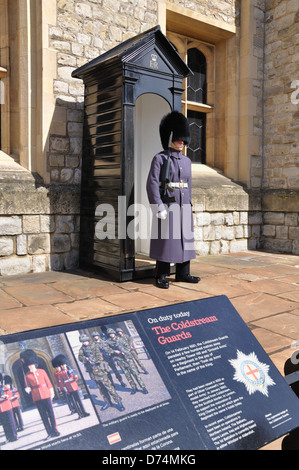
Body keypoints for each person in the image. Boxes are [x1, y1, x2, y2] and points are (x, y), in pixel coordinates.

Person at [146, 110, 200, 289]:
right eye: (178, 138)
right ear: (170, 137)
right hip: (168, 206)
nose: (181, 142)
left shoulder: (186, 161)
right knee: (166, 242)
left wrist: (189, 205)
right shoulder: (160, 158)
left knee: (185, 240)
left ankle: (183, 273)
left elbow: (188, 185)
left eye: (183, 139)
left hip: (184, 206)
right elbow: (152, 183)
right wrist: (158, 206)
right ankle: (161, 274)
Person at [78, 334, 125, 412]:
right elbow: (80, 357)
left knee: (108, 386)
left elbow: (101, 353)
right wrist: (85, 359)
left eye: (85, 341)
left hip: (100, 370)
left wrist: (94, 361)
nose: (84, 343)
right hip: (92, 372)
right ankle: (108, 402)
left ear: (88, 340)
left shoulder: (95, 345)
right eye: (83, 342)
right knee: (101, 388)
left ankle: (118, 402)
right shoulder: (82, 349)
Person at [20, 350, 60, 440]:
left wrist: (51, 391)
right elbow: (28, 386)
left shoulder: (42, 371)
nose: (30, 366)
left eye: (32, 364)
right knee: (43, 416)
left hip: (46, 394)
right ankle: (49, 432)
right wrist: (27, 388)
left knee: (51, 414)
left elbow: (48, 382)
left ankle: (55, 430)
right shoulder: (27, 375)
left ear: (35, 364)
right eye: (29, 365)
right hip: (36, 397)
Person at [51, 354, 90, 419]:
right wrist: (65, 389)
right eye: (62, 365)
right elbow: (62, 382)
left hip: (74, 386)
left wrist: (75, 377)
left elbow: (75, 378)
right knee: (74, 402)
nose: (63, 366)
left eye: (64, 365)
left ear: (65, 364)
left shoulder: (70, 370)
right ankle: (79, 414)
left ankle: (84, 412)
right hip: (68, 389)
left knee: (79, 401)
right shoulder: (60, 373)